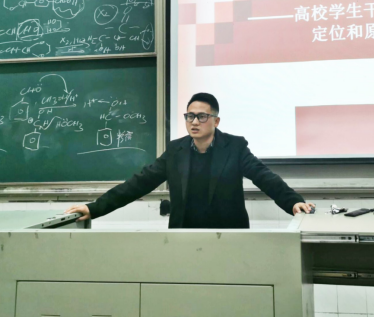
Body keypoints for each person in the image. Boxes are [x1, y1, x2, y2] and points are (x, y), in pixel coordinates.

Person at [65, 93, 315, 228]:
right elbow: (139, 183)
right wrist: (94, 208)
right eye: (190, 116)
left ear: (216, 121)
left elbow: (264, 177)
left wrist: (293, 202)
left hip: (229, 237)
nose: (194, 122)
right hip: (184, 237)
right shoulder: (176, 150)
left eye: (202, 117)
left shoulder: (234, 147)